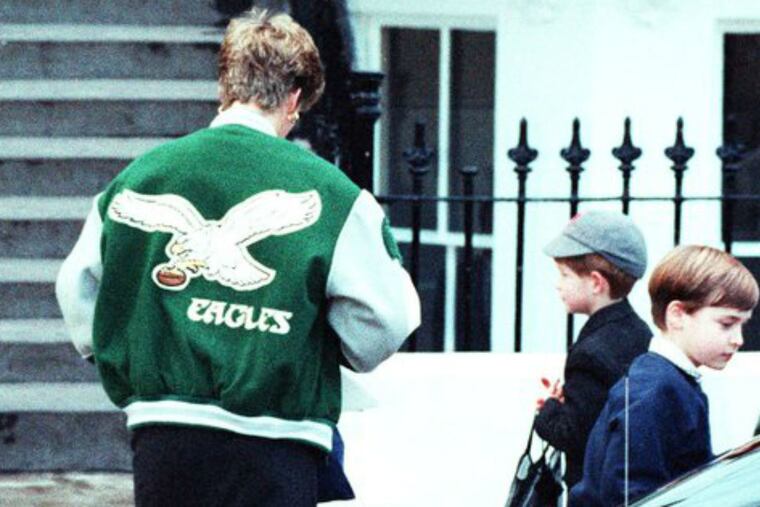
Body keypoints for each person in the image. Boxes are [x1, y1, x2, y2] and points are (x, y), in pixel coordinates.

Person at [55, 8, 420, 507]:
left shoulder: (141, 178)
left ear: (224, 87)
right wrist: (314, 343)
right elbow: (386, 321)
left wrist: (142, 349)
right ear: (294, 99)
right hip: (278, 439)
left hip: (165, 436)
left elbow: (78, 288)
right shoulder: (336, 196)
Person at [569, 245, 759, 506]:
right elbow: (632, 495)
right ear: (677, 315)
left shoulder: (673, 381)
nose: (738, 339)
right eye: (727, 324)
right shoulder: (652, 391)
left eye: (742, 325)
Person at [535, 211, 653, 489]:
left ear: (597, 282)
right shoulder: (639, 331)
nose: (557, 284)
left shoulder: (590, 355)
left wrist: (549, 410)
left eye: (565, 275)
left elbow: (572, 434)